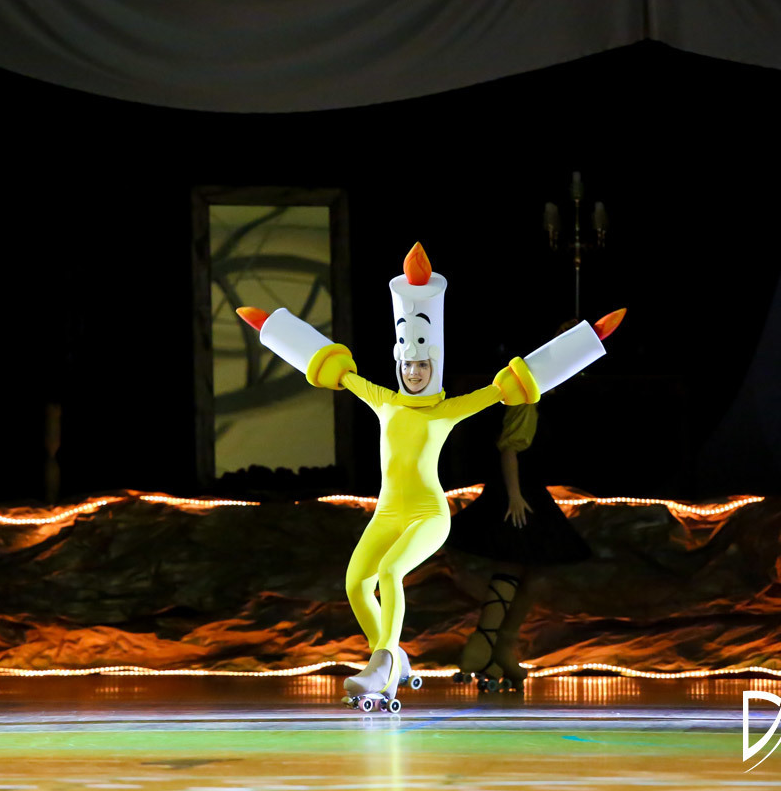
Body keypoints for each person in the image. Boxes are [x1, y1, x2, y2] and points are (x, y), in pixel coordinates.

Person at [236, 243, 622, 710]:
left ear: (433, 365)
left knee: (390, 571)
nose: (414, 371)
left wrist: (582, 343)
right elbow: (333, 369)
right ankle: (392, 656)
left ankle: (382, 663)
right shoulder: (383, 400)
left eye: (422, 365)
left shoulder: (446, 410)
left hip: (428, 515)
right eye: (408, 364)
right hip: (387, 514)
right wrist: (275, 330)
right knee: (356, 583)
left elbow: (502, 389)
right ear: (399, 362)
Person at [447, 326, 593, 690]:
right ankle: (486, 646)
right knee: (515, 562)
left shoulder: (541, 396)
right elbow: (510, 448)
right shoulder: (526, 397)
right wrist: (513, 495)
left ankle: (498, 646)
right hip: (518, 490)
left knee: (533, 569)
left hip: (528, 489)